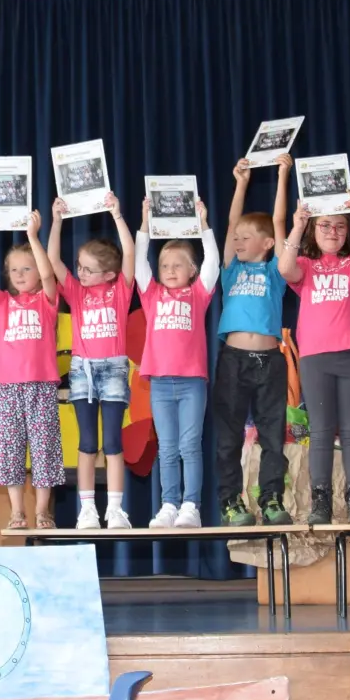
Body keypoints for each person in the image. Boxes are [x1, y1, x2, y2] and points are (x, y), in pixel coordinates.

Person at [277, 187, 350, 525]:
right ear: (314, 230)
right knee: (322, 431)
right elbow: (284, 268)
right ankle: (321, 500)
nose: (332, 232)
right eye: (325, 225)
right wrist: (297, 225)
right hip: (315, 358)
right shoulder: (305, 266)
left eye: (340, 226)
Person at [213, 155, 291, 527]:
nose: (239, 241)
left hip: (270, 361)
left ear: (267, 243)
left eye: (247, 238)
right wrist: (241, 183)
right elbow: (230, 224)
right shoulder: (231, 270)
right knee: (228, 436)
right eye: (237, 238)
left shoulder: (276, 271)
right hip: (232, 359)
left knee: (273, 435)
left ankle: (271, 497)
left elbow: (279, 222)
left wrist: (282, 176)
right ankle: (230, 501)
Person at [48, 191, 133, 530]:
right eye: (79, 267)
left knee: (112, 442)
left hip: (113, 367)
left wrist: (117, 214)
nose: (80, 273)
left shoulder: (121, 289)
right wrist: (56, 221)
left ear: (109, 275)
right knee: (87, 442)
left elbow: (129, 253)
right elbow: (54, 262)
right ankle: (87, 511)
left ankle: (115, 510)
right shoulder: (77, 292)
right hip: (82, 370)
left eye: (88, 270)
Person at [0, 214, 61, 529]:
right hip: (9, 386)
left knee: (43, 447)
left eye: (27, 268)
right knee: (10, 449)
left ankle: (41, 511)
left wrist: (33, 237)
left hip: (41, 385)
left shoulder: (47, 301)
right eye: (14, 270)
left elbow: (50, 275)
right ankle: (17, 512)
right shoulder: (2, 302)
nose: (20, 274)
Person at [137, 196, 219, 529]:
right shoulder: (151, 294)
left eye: (177, 265)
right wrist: (144, 219)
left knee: (189, 445)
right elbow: (140, 261)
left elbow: (213, 257)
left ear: (193, 271)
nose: (169, 271)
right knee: (167, 447)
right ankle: (168, 503)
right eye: (165, 265)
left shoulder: (199, 293)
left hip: (191, 383)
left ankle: (191, 506)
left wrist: (202, 222)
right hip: (159, 382)